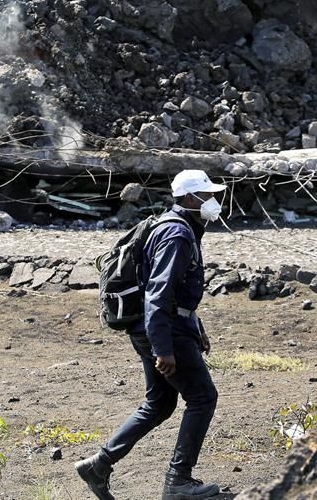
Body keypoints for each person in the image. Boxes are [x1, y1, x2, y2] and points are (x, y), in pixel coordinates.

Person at [75, 169, 227, 500]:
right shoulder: (177, 234)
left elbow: (174, 290)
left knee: (159, 403)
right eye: (207, 195)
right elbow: (159, 293)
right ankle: (178, 482)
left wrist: (197, 327)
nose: (214, 201)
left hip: (153, 327)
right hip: (164, 329)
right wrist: (163, 348)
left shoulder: (174, 226)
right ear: (190, 198)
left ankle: (98, 465)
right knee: (202, 398)